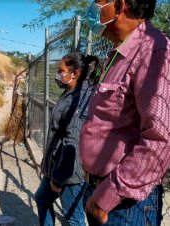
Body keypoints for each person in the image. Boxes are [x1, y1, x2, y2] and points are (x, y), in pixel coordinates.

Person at [80, 0, 170, 225]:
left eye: (98, 2)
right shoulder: (121, 53)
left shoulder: (153, 49)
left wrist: (106, 198)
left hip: (124, 205)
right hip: (102, 192)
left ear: (120, 6)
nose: (93, 8)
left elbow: (160, 138)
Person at [35, 52, 100, 226]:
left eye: (61, 70)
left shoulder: (80, 100)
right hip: (56, 166)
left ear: (75, 73)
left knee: (73, 216)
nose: (58, 74)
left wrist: (59, 178)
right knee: (42, 199)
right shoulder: (71, 92)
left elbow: (73, 141)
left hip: (69, 171)